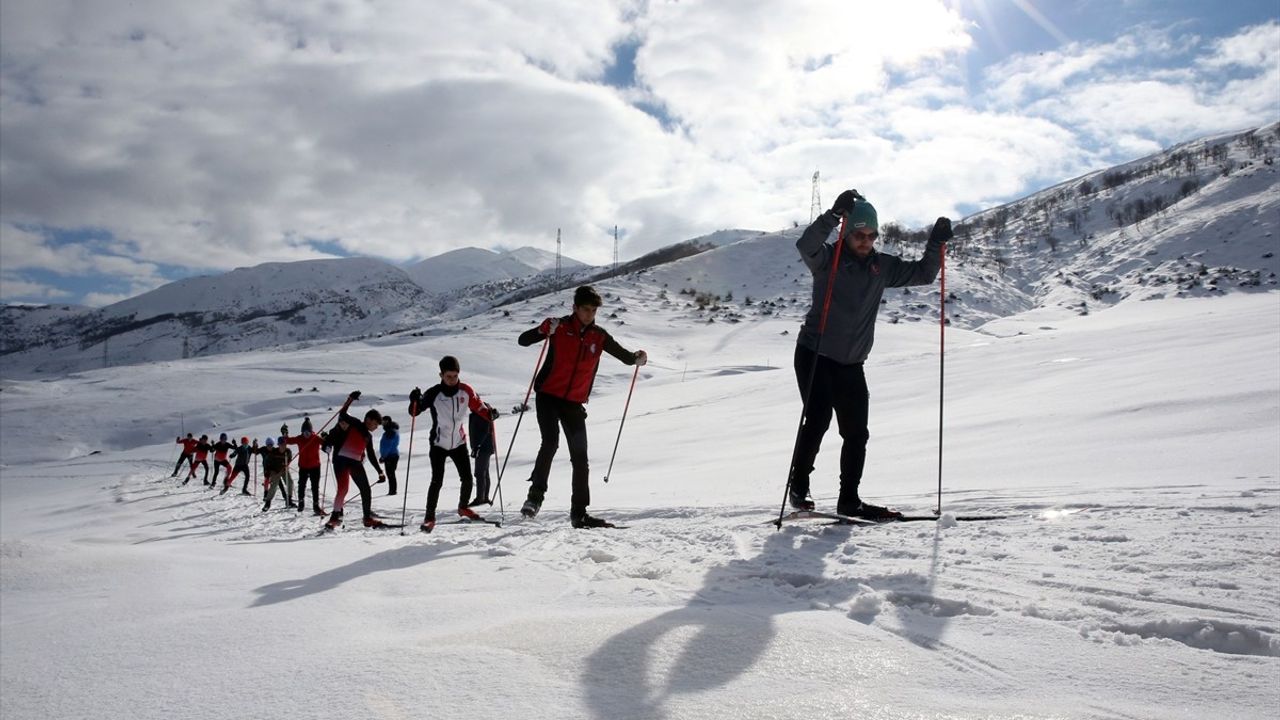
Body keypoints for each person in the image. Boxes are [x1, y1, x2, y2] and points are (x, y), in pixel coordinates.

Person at [789, 189, 951, 519]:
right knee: (818, 419)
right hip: (815, 353)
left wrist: (936, 244)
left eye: (871, 235)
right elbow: (805, 245)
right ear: (847, 234)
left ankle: (849, 499)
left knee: (856, 432)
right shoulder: (827, 260)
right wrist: (833, 215)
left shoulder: (882, 267)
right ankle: (799, 484)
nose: (866, 240)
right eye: (859, 234)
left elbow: (923, 274)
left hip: (851, 363)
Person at [517, 285, 647, 528]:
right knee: (550, 442)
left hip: (574, 403)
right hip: (548, 396)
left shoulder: (599, 336)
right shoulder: (559, 327)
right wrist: (543, 329)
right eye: (585, 309)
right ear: (575, 308)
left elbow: (626, 357)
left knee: (580, 458)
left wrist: (639, 357)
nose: (589, 314)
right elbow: (523, 341)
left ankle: (579, 514)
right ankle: (534, 499)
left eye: (593, 310)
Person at [408, 356, 490, 533]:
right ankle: (429, 518)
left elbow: (479, 407)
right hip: (438, 443)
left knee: (467, 478)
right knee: (437, 481)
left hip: (459, 442)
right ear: (441, 375)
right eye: (448, 376)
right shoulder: (434, 393)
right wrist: (414, 400)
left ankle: (463, 507)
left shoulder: (466, 390)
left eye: (455, 376)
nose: (452, 380)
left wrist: (490, 414)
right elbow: (414, 412)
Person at [321, 391, 387, 530]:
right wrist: (350, 399)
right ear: (369, 420)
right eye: (375, 424)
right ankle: (334, 517)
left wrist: (380, 471)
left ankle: (367, 518)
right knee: (343, 489)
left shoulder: (368, 437)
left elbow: (371, 454)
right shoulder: (355, 423)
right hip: (341, 460)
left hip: (355, 463)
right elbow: (343, 414)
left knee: (365, 489)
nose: (375, 428)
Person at [285, 417, 326, 515]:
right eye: (304, 432)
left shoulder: (316, 438)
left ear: (311, 432)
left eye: (308, 432)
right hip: (303, 466)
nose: (306, 435)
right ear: (302, 432)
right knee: (301, 485)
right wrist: (285, 433)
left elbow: (326, 444)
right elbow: (288, 441)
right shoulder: (300, 438)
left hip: (315, 466)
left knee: (315, 487)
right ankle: (301, 502)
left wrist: (326, 438)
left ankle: (316, 506)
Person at [468, 402, 500, 506]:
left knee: (479, 472)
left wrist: (477, 446)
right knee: (484, 472)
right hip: (485, 446)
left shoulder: (480, 411)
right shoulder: (481, 409)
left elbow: (484, 430)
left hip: (483, 447)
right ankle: (484, 497)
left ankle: (480, 498)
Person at [259, 437, 294, 511]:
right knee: (274, 486)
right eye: (281, 444)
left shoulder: (288, 451)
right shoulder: (274, 452)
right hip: (275, 471)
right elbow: (268, 463)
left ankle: (289, 501)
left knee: (290, 482)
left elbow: (289, 459)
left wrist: (286, 465)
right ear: (278, 445)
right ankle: (267, 504)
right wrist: (269, 472)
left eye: (284, 444)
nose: (283, 446)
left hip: (284, 470)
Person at [379, 415, 401, 495]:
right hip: (393, 455)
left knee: (390, 474)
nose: (382, 423)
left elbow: (387, 445)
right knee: (391, 474)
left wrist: (383, 456)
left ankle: (392, 491)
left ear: (388, 421)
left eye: (384, 421)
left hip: (390, 456)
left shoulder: (390, 432)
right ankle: (392, 490)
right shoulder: (392, 430)